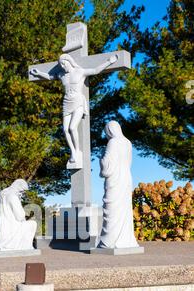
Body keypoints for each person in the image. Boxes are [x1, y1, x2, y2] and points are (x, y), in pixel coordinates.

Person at [30, 53, 118, 164]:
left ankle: (77, 151)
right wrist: (38, 74)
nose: (63, 66)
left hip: (77, 102)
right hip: (66, 103)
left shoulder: (80, 71)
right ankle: (73, 152)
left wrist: (109, 62)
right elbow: (49, 76)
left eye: (64, 63)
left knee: (72, 128)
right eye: (61, 64)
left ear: (69, 61)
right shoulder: (62, 75)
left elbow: (95, 70)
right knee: (65, 130)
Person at [96, 121, 139, 249]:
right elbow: (128, 162)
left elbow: (107, 165)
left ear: (110, 131)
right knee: (124, 209)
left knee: (112, 209)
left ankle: (108, 241)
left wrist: (101, 160)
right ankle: (126, 240)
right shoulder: (128, 143)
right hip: (126, 177)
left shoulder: (113, 142)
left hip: (115, 179)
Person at [0, 179, 37, 252]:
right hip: (10, 228)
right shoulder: (12, 196)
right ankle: (24, 247)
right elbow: (20, 216)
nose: (22, 193)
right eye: (22, 191)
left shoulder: (2, 196)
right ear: (18, 187)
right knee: (32, 224)